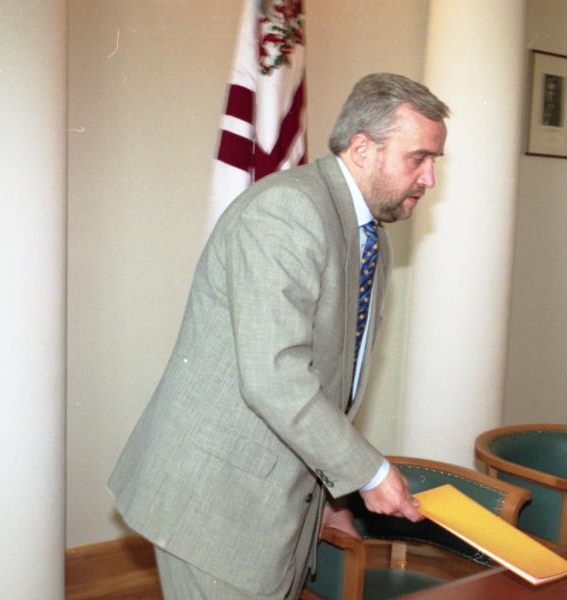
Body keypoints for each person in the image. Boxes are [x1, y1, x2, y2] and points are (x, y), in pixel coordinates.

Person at [108, 73, 449, 599]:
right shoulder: (288, 211)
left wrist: (333, 495)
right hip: (217, 505)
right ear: (363, 149)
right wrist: (368, 474)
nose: (429, 178)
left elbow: (328, 379)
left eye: (434, 161)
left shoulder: (369, 236)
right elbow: (276, 377)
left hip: (279, 500)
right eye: (418, 158)